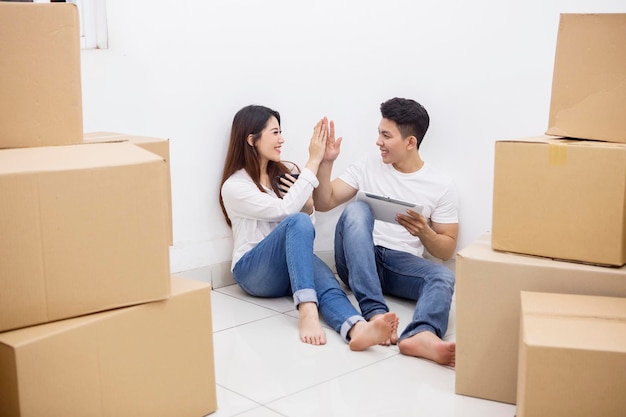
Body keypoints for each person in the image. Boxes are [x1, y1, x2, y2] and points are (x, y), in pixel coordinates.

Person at [219, 104, 397, 350]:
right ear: (252, 139)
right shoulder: (235, 187)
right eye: (274, 133)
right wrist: (313, 160)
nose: (281, 139)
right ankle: (307, 310)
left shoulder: (287, 174)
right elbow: (286, 213)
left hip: (289, 267)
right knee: (297, 221)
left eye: (280, 132)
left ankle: (356, 327)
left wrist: (308, 204)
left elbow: (306, 226)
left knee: (326, 281)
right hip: (252, 272)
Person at [312, 97, 458, 367]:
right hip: (357, 258)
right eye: (379, 133)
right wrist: (326, 162)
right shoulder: (368, 163)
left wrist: (424, 232)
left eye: (386, 135)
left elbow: (447, 249)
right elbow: (324, 202)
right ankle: (376, 315)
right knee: (357, 210)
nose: (378, 141)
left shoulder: (441, 185)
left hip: (398, 264)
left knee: (442, 276)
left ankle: (422, 334)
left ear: (410, 142)